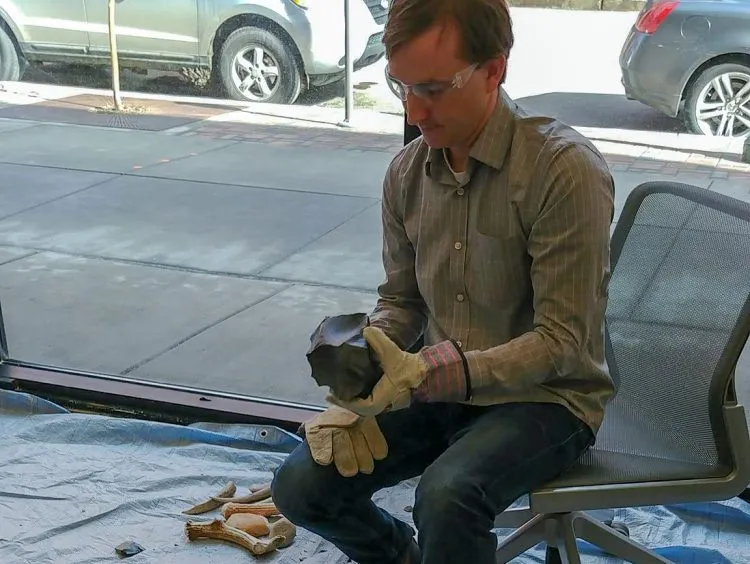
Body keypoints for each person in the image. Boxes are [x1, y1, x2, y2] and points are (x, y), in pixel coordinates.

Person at [270, 0, 616, 562]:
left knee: (448, 495)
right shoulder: (407, 173)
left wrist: (426, 370)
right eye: (400, 85)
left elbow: (562, 343)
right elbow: (402, 300)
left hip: (549, 399)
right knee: (302, 486)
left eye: (432, 88)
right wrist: (365, 362)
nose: (414, 109)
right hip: (438, 388)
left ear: (494, 69)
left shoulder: (562, 170)